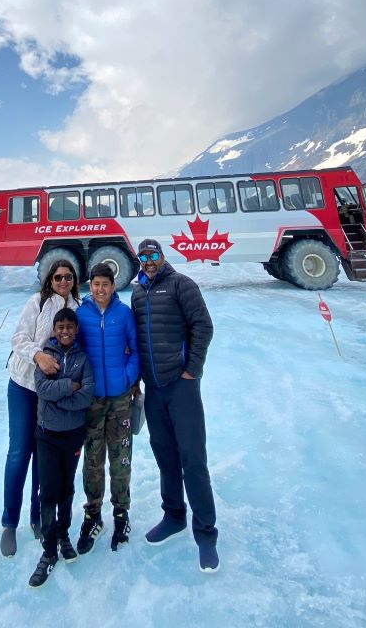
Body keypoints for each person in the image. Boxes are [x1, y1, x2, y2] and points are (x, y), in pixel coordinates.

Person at [130, 238, 220, 574]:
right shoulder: (138, 293)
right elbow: (138, 340)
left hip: (181, 388)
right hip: (153, 390)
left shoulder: (182, 284)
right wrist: (136, 378)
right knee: (165, 458)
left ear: (162, 256)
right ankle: (173, 516)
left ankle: (206, 533)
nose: (149, 261)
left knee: (193, 460)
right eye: (143, 256)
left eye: (153, 255)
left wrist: (191, 370)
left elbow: (203, 326)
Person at [0, 259, 81, 558]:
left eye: (68, 277)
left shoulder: (77, 307)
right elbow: (18, 338)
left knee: (42, 455)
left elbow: (81, 341)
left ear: (74, 280)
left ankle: (38, 515)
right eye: (58, 277)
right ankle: (9, 522)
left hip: (50, 393)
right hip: (23, 385)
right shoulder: (37, 302)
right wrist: (38, 356)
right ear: (50, 279)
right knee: (19, 452)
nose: (63, 281)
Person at [75, 262, 140, 554]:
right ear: (91, 285)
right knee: (93, 458)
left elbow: (135, 349)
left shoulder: (124, 314)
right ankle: (93, 514)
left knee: (120, 455)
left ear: (113, 286)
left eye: (106, 284)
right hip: (92, 400)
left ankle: (121, 513)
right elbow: (74, 350)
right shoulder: (81, 314)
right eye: (96, 284)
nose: (100, 289)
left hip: (120, 398)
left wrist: (127, 377)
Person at [29, 308, 95, 588]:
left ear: (76, 330)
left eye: (70, 327)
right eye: (61, 327)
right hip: (47, 434)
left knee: (67, 488)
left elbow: (87, 396)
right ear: (54, 330)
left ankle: (64, 535)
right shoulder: (46, 356)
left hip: (72, 435)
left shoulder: (83, 358)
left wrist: (61, 397)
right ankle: (48, 549)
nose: (65, 331)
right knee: (48, 491)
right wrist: (70, 385)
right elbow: (43, 390)